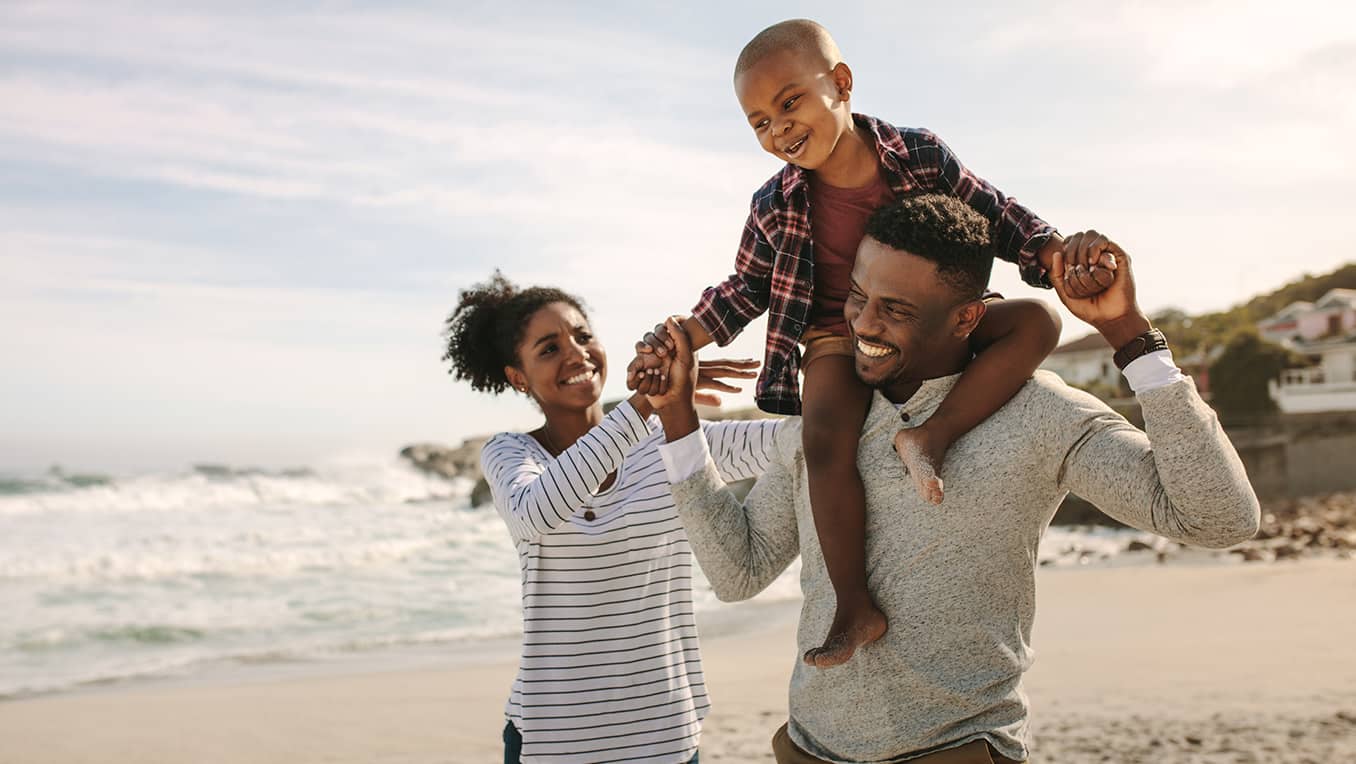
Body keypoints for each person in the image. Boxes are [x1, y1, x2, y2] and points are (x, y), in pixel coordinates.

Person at [647, 195, 1260, 763]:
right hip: (812, 749)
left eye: (896, 310)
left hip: (959, 752)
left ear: (967, 317)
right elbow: (738, 572)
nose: (863, 324)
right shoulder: (826, 424)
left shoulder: (1039, 413)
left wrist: (1129, 335)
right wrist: (679, 419)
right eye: (858, 296)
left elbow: (1220, 518)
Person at [630, 18, 1118, 669]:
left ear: (840, 83)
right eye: (758, 123)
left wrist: (1055, 253)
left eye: (789, 103)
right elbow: (744, 288)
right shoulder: (773, 204)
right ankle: (853, 605)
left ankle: (932, 436)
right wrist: (681, 335)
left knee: (1038, 324)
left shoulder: (918, 155)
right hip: (837, 334)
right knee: (824, 436)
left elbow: (996, 213)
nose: (778, 131)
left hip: (927, 322)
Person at [442, 272, 780, 764]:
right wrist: (647, 402)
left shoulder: (674, 439)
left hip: (665, 736)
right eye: (549, 349)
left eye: (583, 336)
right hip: (554, 741)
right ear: (518, 377)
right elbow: (536, 512)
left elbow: (793, 445)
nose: (575, 354)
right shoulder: (511, 454)